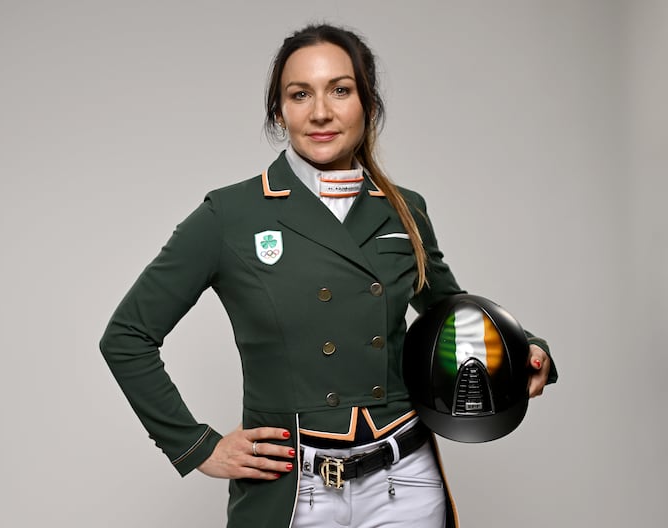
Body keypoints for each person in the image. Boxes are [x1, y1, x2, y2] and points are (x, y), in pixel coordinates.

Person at [100, 23, 556, 528]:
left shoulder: (406, 209)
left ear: (368, 103)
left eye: (341, 90)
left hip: (404, 482)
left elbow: (450, 308)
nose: (320, 112)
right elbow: (126, 336)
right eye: (300, 95)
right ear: (280, 110)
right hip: (294, 490)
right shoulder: (230, 215)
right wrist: (194, 446)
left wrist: (524, 345)